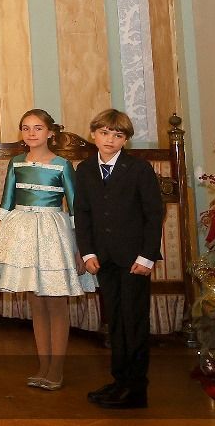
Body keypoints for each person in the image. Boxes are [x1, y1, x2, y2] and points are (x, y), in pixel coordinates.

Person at [0, 108, 94, 390]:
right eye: (26, 128)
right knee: (37, 304)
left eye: (38, 128)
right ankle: (43, 365)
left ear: (50, 132)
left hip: (53, 235)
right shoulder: (16, 163)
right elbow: (6, 203)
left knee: (55, 304)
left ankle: (56, 369)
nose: (31, 133)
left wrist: (81, 249)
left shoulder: (63, 165)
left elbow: (76, 209)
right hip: (22, 235)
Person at [75, 109, 164, 410]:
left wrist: (147, 256)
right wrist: (88, 252)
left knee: (133, 321)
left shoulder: (139, 169)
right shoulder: (85, 169)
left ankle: (136, 389)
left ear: (126, 140)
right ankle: (119, 380)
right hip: (104, 259)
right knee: (114, 321)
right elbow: (82, 213)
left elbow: (154, 214)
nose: (110, 139)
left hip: (135, 259)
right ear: (94, 135)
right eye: (104, 133)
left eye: (117, 135)